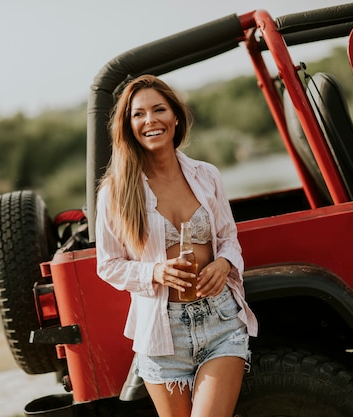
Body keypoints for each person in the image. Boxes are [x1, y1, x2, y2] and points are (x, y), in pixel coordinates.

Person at [95, 74, 258, 417]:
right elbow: (108, 264)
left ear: (176, 117)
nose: (150, 120)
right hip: (161, 333)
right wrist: (155, 271)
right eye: (138, 114)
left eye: (159, 109)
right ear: (128, 126)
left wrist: (224, 264)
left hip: (220, 319)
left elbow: (229, 238)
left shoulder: (207, 175)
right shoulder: (115, 192)